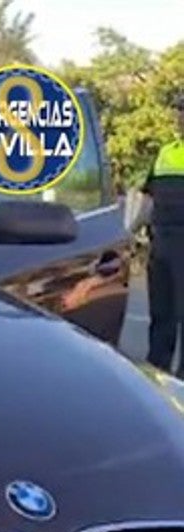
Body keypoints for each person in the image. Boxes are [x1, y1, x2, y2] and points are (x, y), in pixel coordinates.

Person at [131, 95, 184, 374]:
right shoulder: (166, 152)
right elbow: (149, 200)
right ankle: (157, 375)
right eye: (180, 111)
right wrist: (130, 231)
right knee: (161, 316)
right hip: (161, 242)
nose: (181, 117)